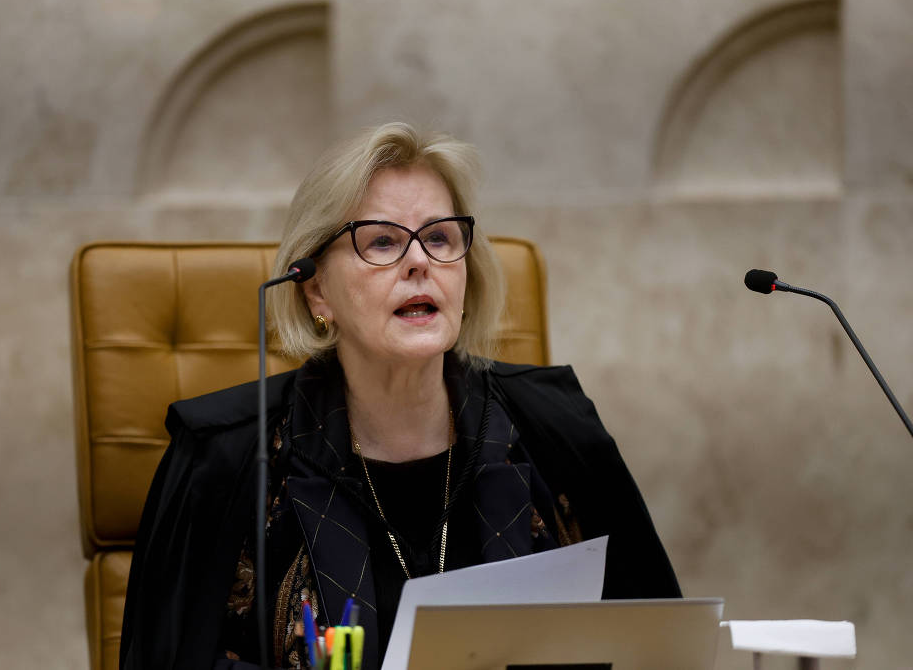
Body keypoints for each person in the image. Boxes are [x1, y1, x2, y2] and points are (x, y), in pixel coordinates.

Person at [119, 122, 680, 670]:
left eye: (439, 237)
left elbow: (659, 644)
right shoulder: (227, 456)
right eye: (382, 241)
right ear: (317, 289)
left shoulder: (555, 432)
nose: (420, 261)